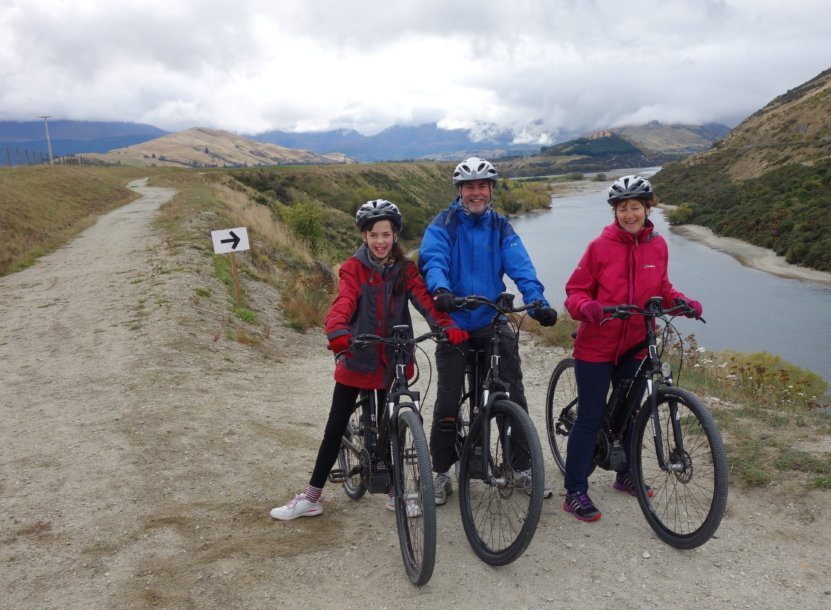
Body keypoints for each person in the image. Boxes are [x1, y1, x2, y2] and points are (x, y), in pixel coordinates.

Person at [270, 199, 468, 521]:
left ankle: (395, 491)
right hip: (358, 357)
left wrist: (447, 327)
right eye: (373, 234)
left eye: (386, 234)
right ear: (364, 236)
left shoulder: (406, 270)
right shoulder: (353, 268)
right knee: (335, 428)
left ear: (395, 236)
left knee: (393, 427)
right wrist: (336, 329)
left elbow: (426, 304)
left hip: (394, 357)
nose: (380, 241)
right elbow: (344, 301)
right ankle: (311, 497)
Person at [561, 175, 703, 522]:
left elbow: (662, 287)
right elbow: (574, 291)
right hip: (597, 343)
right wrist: (588, 308)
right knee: (591, 417)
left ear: (647, 208)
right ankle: (575, 490)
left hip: (638, 341)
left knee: (631, 412)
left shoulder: (659, 246)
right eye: (622, 208)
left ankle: (625, 473)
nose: (629, 214)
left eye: (635, 207)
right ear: (615, 212)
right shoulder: (600, 247)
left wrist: (680, 301)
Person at [418, 156, 558, 504]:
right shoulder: (444, 224)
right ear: (460, 191)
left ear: (491, 190)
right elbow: (433, 260)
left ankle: (520, 466)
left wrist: (536, 299)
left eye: (483, 186)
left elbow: (519, 264)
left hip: (492, 320)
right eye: (470, 187)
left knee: (513, 394)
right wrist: (440, 290)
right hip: (456, 321)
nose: (476, 193)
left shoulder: (500, 227)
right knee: (448, 400)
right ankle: (440, 472)